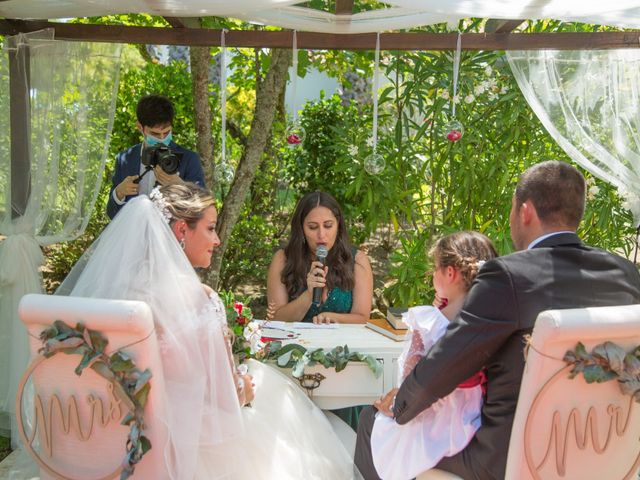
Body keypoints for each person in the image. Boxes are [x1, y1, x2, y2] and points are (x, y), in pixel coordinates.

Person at [355, 160, 640, 480]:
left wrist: (402, 405)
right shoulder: (625, 275)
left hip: (509, 459)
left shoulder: (509, 276)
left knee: (373, 423)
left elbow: (447, 363)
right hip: (605, 449)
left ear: (525, 211)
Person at [55, 183, 355, 480]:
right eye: (211, 228)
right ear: (182, 231)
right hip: (189, 442)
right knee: (300, 425)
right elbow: (228, 395)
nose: (218, 239)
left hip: (118, 433)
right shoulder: (200, 300)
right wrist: (246, 387)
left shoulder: (115, 294)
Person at [370, 231, 497, 480]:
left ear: (450, 273)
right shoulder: (490, 321)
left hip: (433, 429)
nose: (432, 275)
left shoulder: (429, 321)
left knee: (374, 424)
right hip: (472, 425)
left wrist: (395, 406)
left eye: (435, 269)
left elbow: (410, 379)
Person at [267, 191, 373, 324]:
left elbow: (362, 318)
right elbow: (275, 319)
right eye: (312, 227)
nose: (321, 234)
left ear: (338, 225)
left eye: (328, 226)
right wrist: (309, 294)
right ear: (301, 228)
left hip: (343, 343)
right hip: (295, 343)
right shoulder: (283, 259)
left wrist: (331, 317)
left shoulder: (357, 260)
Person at [106, 94, 206, 219]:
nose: (162, 138)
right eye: (155, 133)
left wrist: (181, 186)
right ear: (140, 127)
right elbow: (111, 214)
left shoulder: (189, 159)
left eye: (167, 132)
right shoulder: (125, 159)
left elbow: (202, 210)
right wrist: (119, 192)